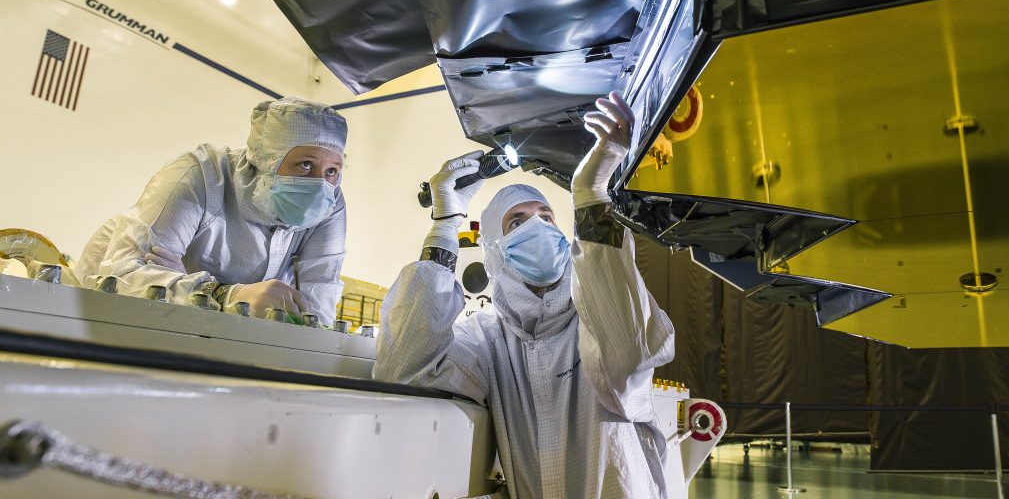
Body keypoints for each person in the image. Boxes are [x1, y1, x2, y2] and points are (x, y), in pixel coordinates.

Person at [374, 91, 676, 498]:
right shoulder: (486, 339)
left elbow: (627, 358)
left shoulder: (594, 315)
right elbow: (405, 368)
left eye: (547, 218)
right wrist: (446, 223)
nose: (539, 228)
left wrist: (591, 195)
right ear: (495, 250)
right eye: (517, 221)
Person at [76, 97, 348, 324]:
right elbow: (125, 275)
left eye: (332, 171)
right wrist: (225, 294)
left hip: (208, 327)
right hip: (101, 312)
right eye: (305, 165)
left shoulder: (330, 205)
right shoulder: (199, 177)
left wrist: (184, 282)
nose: (320, 184)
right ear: (267, 160)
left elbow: (316, 312)